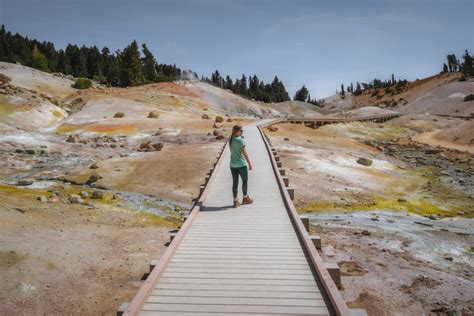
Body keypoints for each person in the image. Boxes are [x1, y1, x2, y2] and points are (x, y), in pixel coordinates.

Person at [229, 125, 253, 208]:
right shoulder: (240, 140)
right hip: (241, 164)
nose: (242, 132)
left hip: (232, 165)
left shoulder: (231, 138)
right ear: (236, 131)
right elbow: (244, 153)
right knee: (245, 181)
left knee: (235, 183)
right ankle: (245, 198)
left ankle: (235, 201)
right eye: (241, 130)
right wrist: (249, 164)